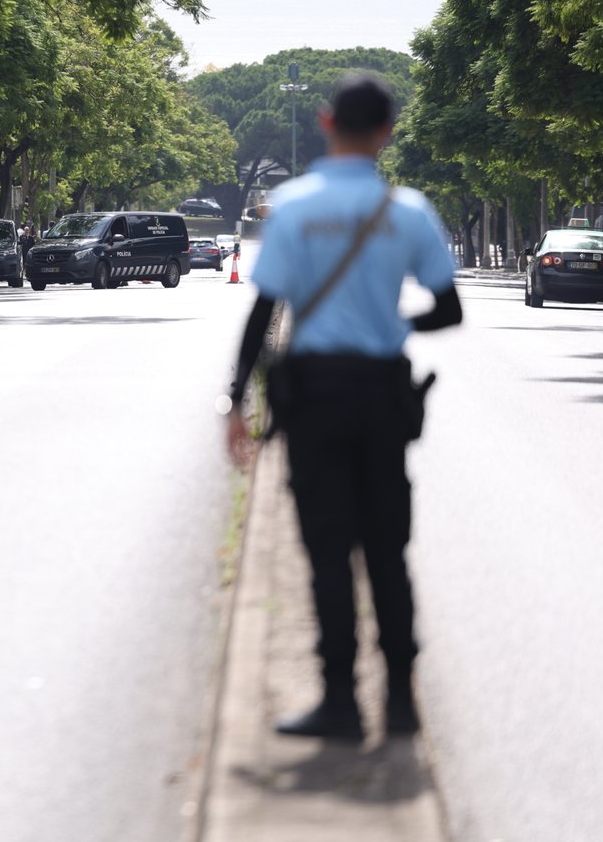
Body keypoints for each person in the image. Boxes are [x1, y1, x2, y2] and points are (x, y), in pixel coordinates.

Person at [226, 72, 463, 741]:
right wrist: (392, 326)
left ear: (327, 122)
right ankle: (400, 701)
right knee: (388, 550)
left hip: (318, 397)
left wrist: (233, 401)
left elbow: (263, 310)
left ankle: (338, 701)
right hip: (383, 394)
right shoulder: (408, 211)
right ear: (388, 132)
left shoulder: (293, 206)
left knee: (329, 552)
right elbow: (448, 307)